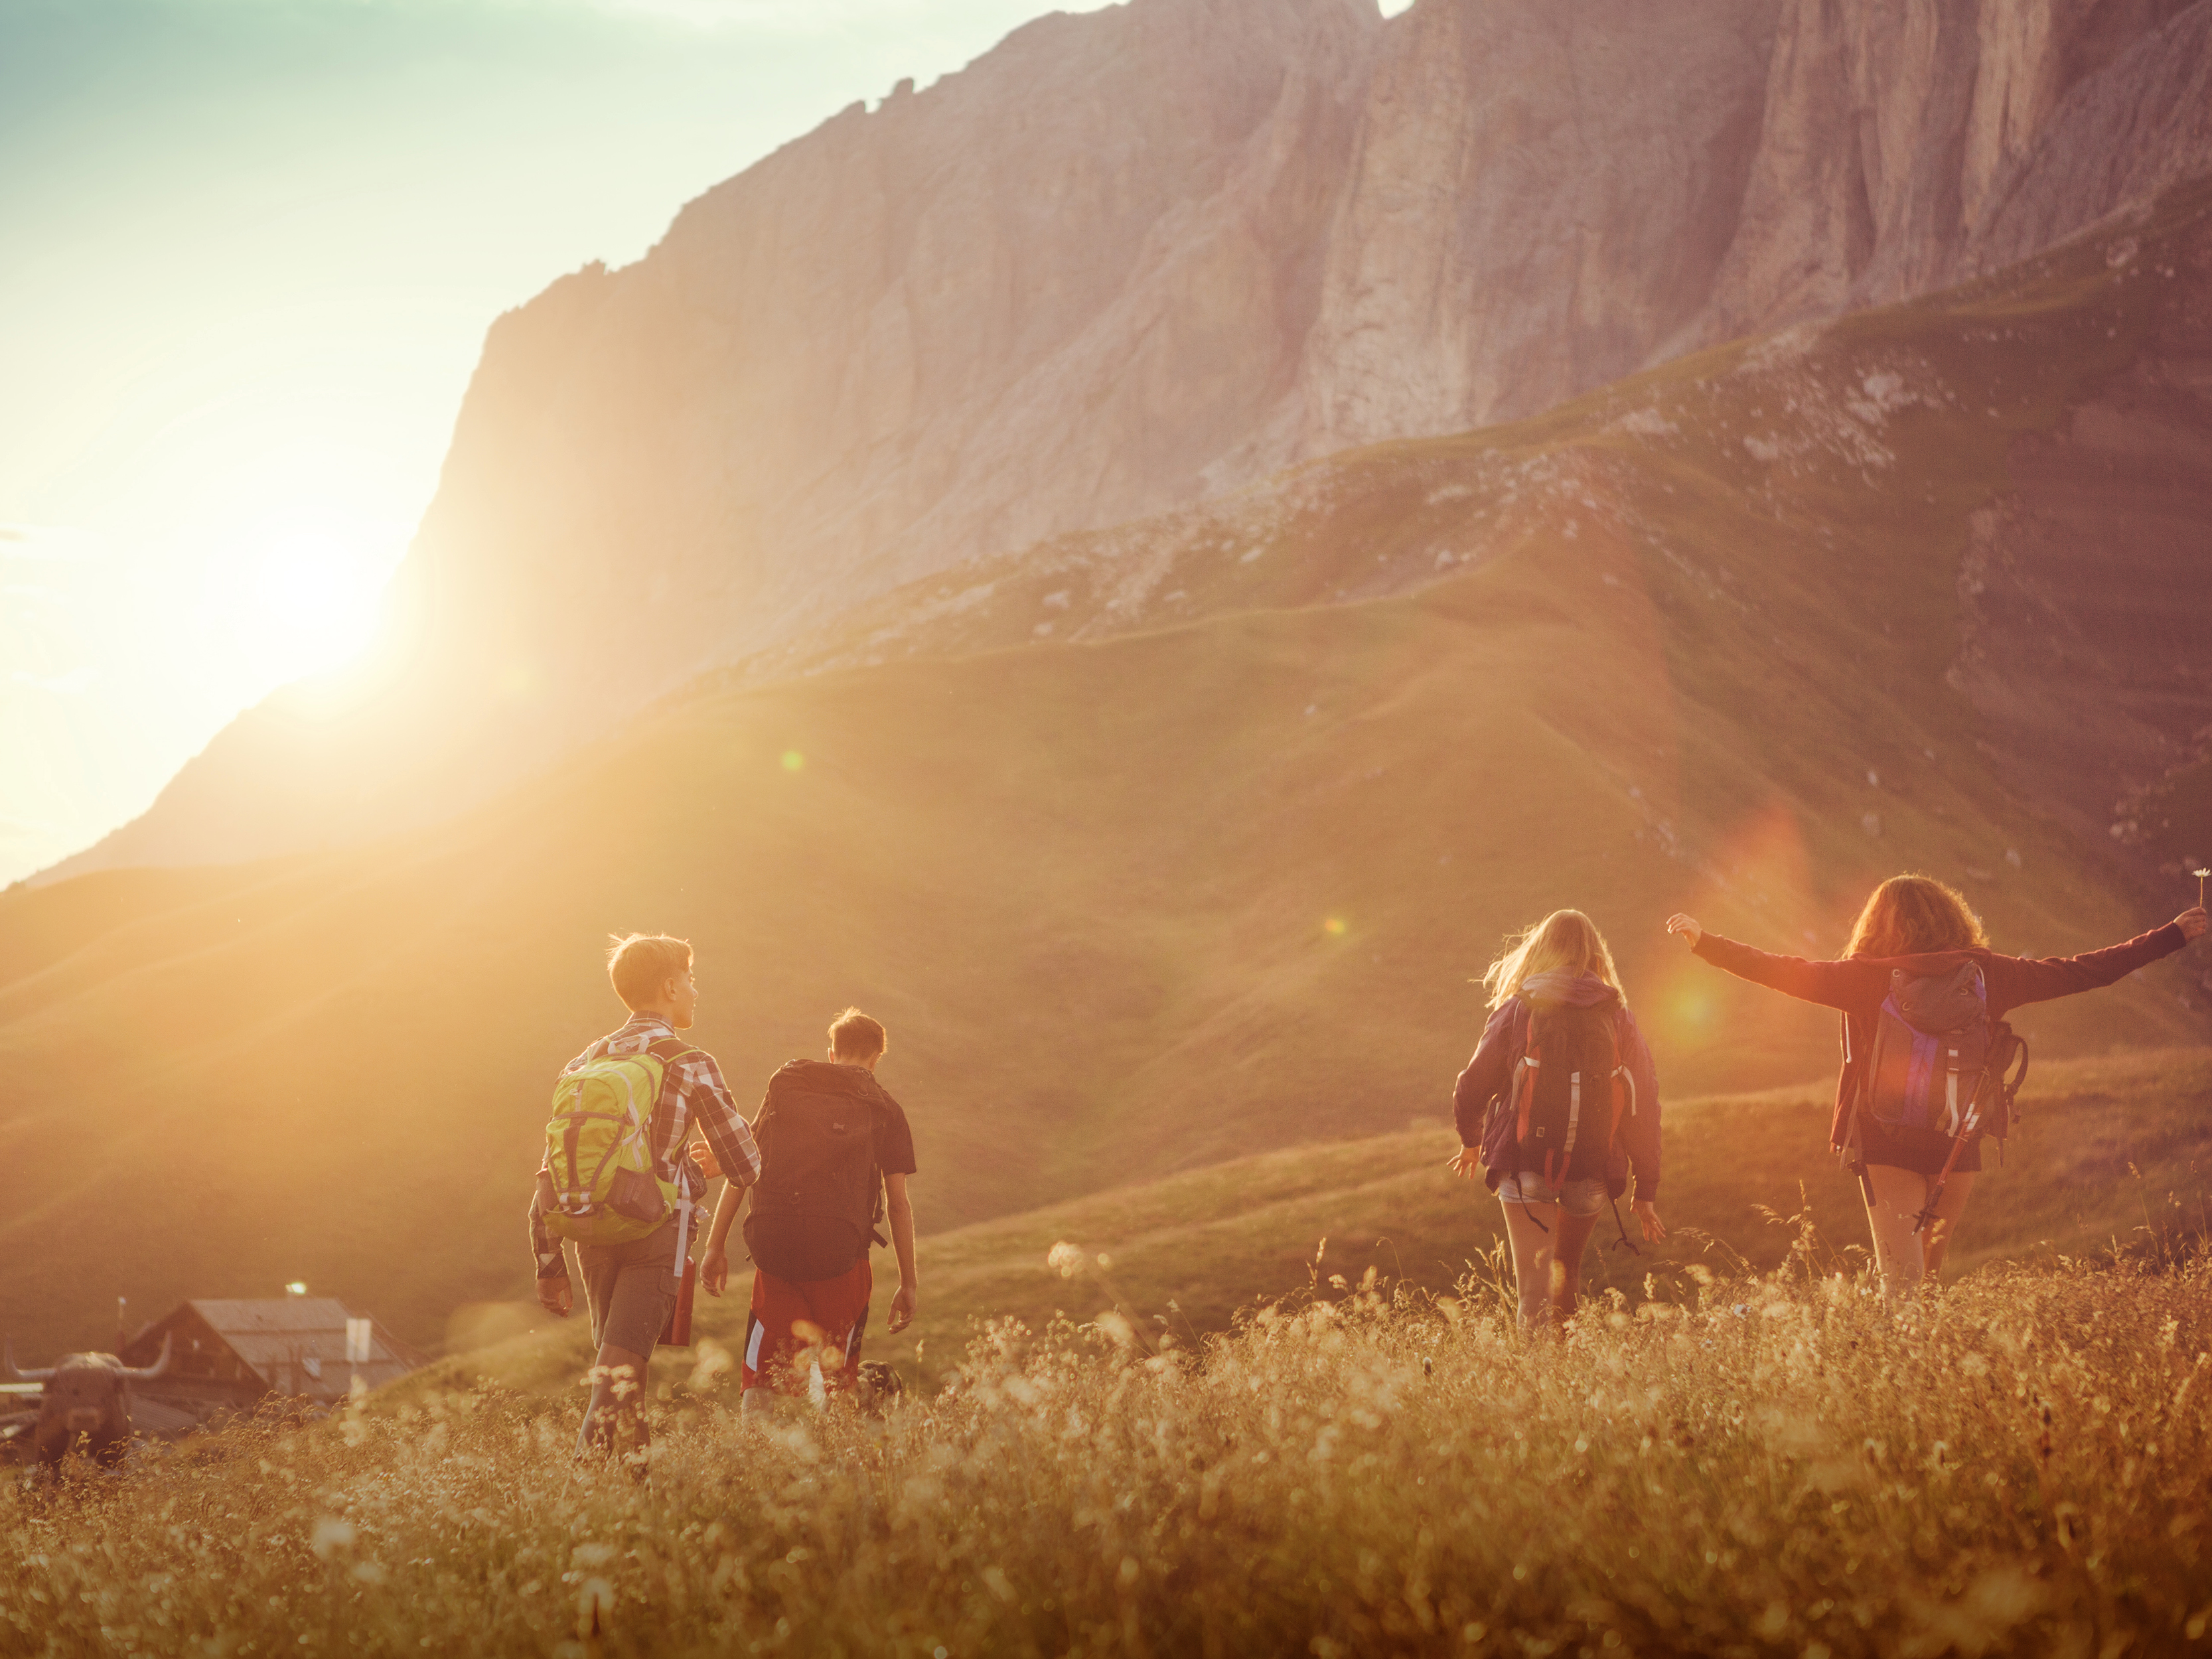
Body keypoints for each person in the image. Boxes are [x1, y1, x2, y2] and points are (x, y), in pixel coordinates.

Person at [1667, 879, 2207, 1300]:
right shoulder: (1987, 975)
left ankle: (1892, 1396)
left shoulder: (1864, 977)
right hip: (1956, 1138)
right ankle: (1920, 1394)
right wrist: (2170, 935)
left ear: (1874, 925)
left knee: (1899, 1287)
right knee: (1923, 1279)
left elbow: (1782, 971)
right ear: (1953, 918)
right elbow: (2082, 971)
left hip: (1885, 1141)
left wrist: (1705, 944)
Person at [531, 934, 762, 1460]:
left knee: (624, 1375)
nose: (696, 992)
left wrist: (548, 1262)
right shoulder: (690, 1062)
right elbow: (747, 1165)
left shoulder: (581, 1064)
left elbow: (553, 1168)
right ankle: (577, 1496)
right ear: (670, 986)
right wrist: (698, 1173)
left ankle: (640, 1500)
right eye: (691, 981)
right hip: (654, 1238)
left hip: (588, 1234)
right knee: (616, 1377)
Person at [1447, 910, 1665, 1330]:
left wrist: (1470, 1141)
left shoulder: (1520, 1006)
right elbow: (1645, 1103)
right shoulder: (1616, 1013)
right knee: (1566, 1278)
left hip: (1525, 1165)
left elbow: (1473, 1083)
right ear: (1595, 951)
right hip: (1591, 1169)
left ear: (1541, 949)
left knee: (1534, 1288)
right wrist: (1646, 1187)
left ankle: (1535, 1390)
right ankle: (1565, 1383)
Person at [694, 1007, 918, 1411]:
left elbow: (745, 1168)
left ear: (831, 1053)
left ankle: (759, 1459)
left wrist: (715, 1248)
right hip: (843, 1262)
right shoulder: (885, 1108)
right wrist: (909, 1283)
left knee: (766, 1375)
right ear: (875, 1059)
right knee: (839, 1379)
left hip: (776, 1252)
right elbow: (898, 1206)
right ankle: (843, 1444)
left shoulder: (788, 1086)